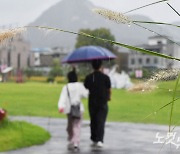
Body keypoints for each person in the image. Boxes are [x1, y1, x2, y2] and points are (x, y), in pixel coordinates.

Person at [58, 68, 88, 150]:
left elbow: (62, 98)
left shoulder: (66, 87)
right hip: (79, 109)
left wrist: (61, 107)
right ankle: (76, 142)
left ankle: (71, 138)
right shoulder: (80, 86)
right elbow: (86, 95)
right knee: (77, 126)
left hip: (69, 109)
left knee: (70, 125)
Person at [84, 60, 111, 148]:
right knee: (101, 121)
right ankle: (100, 139)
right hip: (103, 102)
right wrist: (109, 97)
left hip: (92, 102)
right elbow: (109, 89)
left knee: (93, 120)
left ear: (92, 66)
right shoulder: (106, 77)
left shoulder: (89, 77)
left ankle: (94, 138)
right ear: (101, 66)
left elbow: (86, 87)